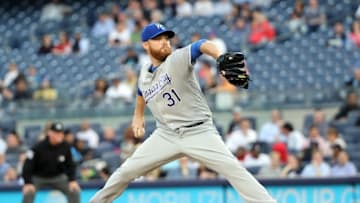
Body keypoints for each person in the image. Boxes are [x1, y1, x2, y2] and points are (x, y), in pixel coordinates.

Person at [90, 23, 275, 203]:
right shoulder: (144, 73)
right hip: (166, 135)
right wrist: (137, 115)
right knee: (125, 172)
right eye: (158, 39)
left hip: (198, 132)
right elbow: (141, 92)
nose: (165, 42)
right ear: (145, 45)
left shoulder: (176, 60)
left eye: (167, 38)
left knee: (233, 170)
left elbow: (201, 44)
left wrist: (219, 56)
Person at [22, 122, 80, 203]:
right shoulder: (38, 147)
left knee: (74, 189)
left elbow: (70, 165)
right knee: (28, 191)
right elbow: (27, 165)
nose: (59, 135)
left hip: (58, 176)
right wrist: (28, 182)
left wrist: (72, 180)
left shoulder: (66, 147)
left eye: (61, 133)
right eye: (56, 133)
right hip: (39, 177)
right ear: (50, 133)